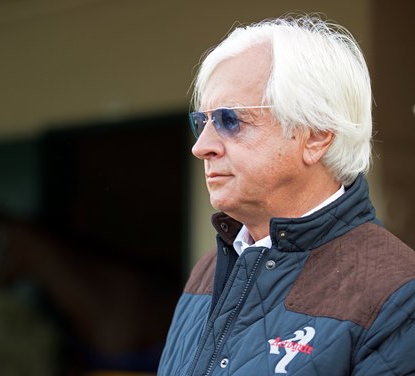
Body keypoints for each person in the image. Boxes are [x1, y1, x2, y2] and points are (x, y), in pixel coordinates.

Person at [158, 15, 415, 376]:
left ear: (315, 136)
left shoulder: (399, 295)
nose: (201, 147)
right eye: (202, 122)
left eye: (230, 120)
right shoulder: (208, 271)